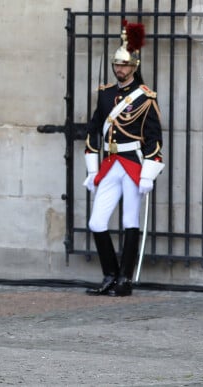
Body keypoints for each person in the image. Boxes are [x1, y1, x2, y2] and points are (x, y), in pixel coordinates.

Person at [83, 21, 164, 297]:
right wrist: (92, 168)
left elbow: (154, 139)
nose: (120, 69)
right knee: (97, 222)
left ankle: (124, 280)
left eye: (125, 65)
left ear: (135, 66)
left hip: (133, 164)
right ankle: (110, 274)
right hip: (110, 165)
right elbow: (94, 131)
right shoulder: (105, 94)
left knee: (130, 220)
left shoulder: (146, 98)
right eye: (117, 64)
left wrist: (148, 174)